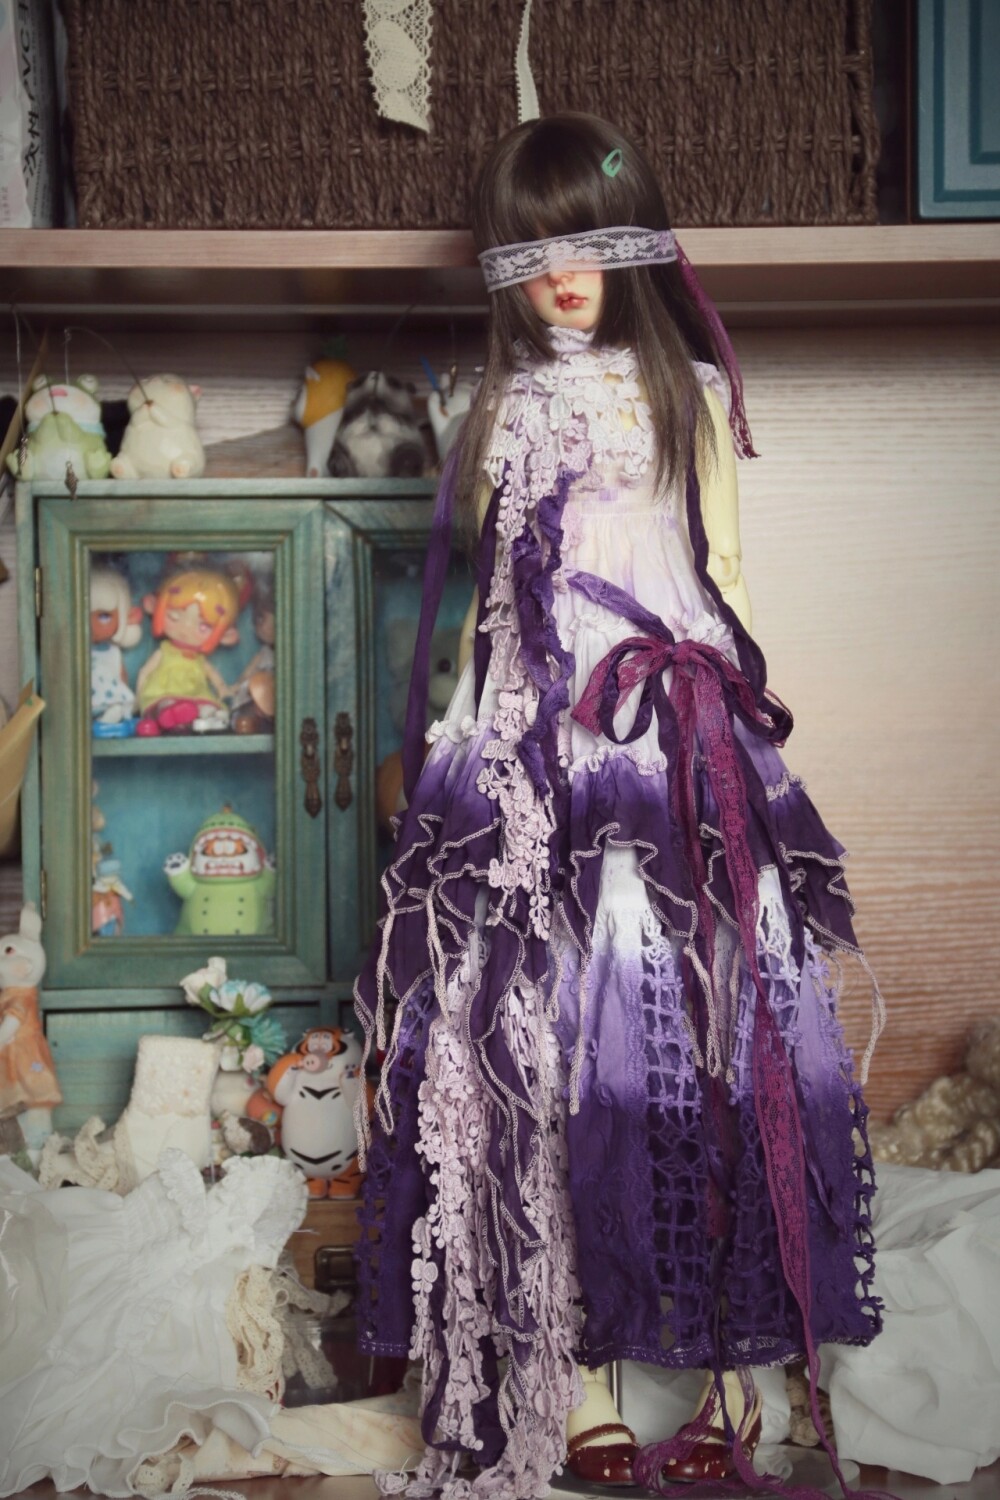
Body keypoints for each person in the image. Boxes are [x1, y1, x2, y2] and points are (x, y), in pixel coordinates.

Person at [353, 113, 885, 1500]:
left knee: (710, 1027)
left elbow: (728, 572)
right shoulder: (502, 407)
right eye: (534, 248)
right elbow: (493, 600)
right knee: (528, 1035)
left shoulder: (689, 393)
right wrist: (471, 733)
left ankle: (733, 1366)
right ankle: (574, 1373)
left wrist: (750, 728)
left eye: (588, 240)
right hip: (541, 728)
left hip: (672, 729)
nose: (562, 272)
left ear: (637, 241)